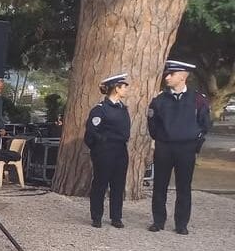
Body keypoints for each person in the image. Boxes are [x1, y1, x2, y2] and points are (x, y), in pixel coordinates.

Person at [147, 60, 212, 235]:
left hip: (186, 149)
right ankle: (158, 221)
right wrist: (161, 139)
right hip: (164, 148)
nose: (167, 77)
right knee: (159, 185)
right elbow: (152, 125)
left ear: (183, 76)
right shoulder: (159, 100)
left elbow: (205, 124)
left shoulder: (198, 99)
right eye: (167, 74)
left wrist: (194, 141)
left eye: (171, 74)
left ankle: (181, 223)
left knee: (184, 187)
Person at [84, 73, 131, 228]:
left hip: (120, 151)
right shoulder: (100, 110)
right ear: (116, 88)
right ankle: (96, 216)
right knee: (100, 184)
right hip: (104, 151)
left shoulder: (123, 109)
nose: (126, 90)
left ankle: (116, 217)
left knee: (118, 185)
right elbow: (91, 133)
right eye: (123, 86)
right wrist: (100, 148)